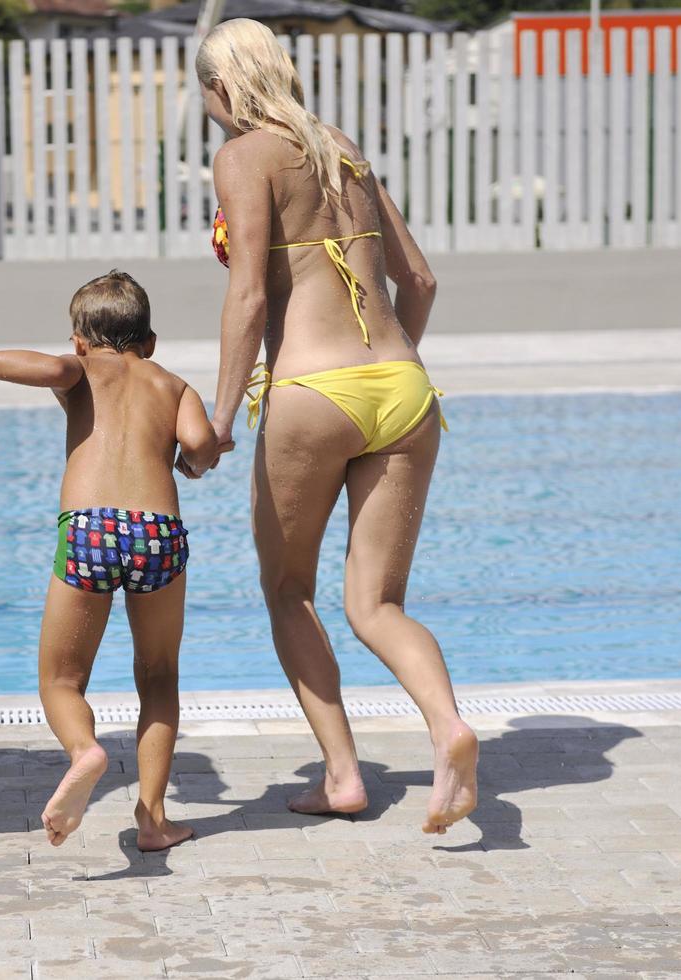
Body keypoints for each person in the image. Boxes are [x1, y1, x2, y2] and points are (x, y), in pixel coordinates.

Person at [192, 19, 477, 835]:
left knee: (289, 591)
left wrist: (218, 418)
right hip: (402, 387)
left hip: (312, 391)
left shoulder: (243, 156)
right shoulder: (337, 145)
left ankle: (344, 776)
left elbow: (248, 296)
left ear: (221, 87)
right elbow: (416, 279)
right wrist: (388, 366)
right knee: (377, 604)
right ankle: (447, 727)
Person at [0, 271, 217, 851]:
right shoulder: (175, 386)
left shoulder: (77, 369)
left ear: (80, 340)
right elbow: (201, 447)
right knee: (159, 675)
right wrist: (195, 461)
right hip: (158, 534)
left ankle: (86, 751)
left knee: (60, 679)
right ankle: (153, 820)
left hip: (90, 530)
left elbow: (49, 369)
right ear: (149, 342)